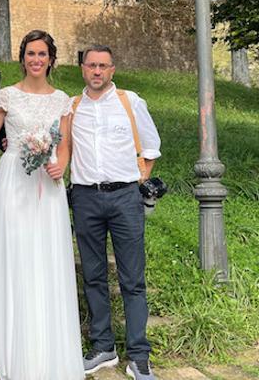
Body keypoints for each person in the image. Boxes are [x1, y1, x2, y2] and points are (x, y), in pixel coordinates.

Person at [0, 30, 83, 380]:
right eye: (30, 54)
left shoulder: (62, 100)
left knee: (46, 256)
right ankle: (6, 340)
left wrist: (61, 165)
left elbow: (65, 143)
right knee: (14, 252)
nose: (35, 60)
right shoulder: (6, 96)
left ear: (51, 59)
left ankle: (45, 341)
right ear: (22, 58)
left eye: (42, 54)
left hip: (48, 185)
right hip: (13, 182)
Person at [70, 45, 162, 380]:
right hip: (85, 198)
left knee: (132, 279)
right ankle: (103, 347)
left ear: (113, 69)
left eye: (103, 66)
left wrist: (139, 180)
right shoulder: (72, 107)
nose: (97, 71)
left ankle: (139, 356)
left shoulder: (130, 101)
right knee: (93, 276)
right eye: (91, 65)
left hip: (125, 198)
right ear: (82, 68)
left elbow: (151, 148)